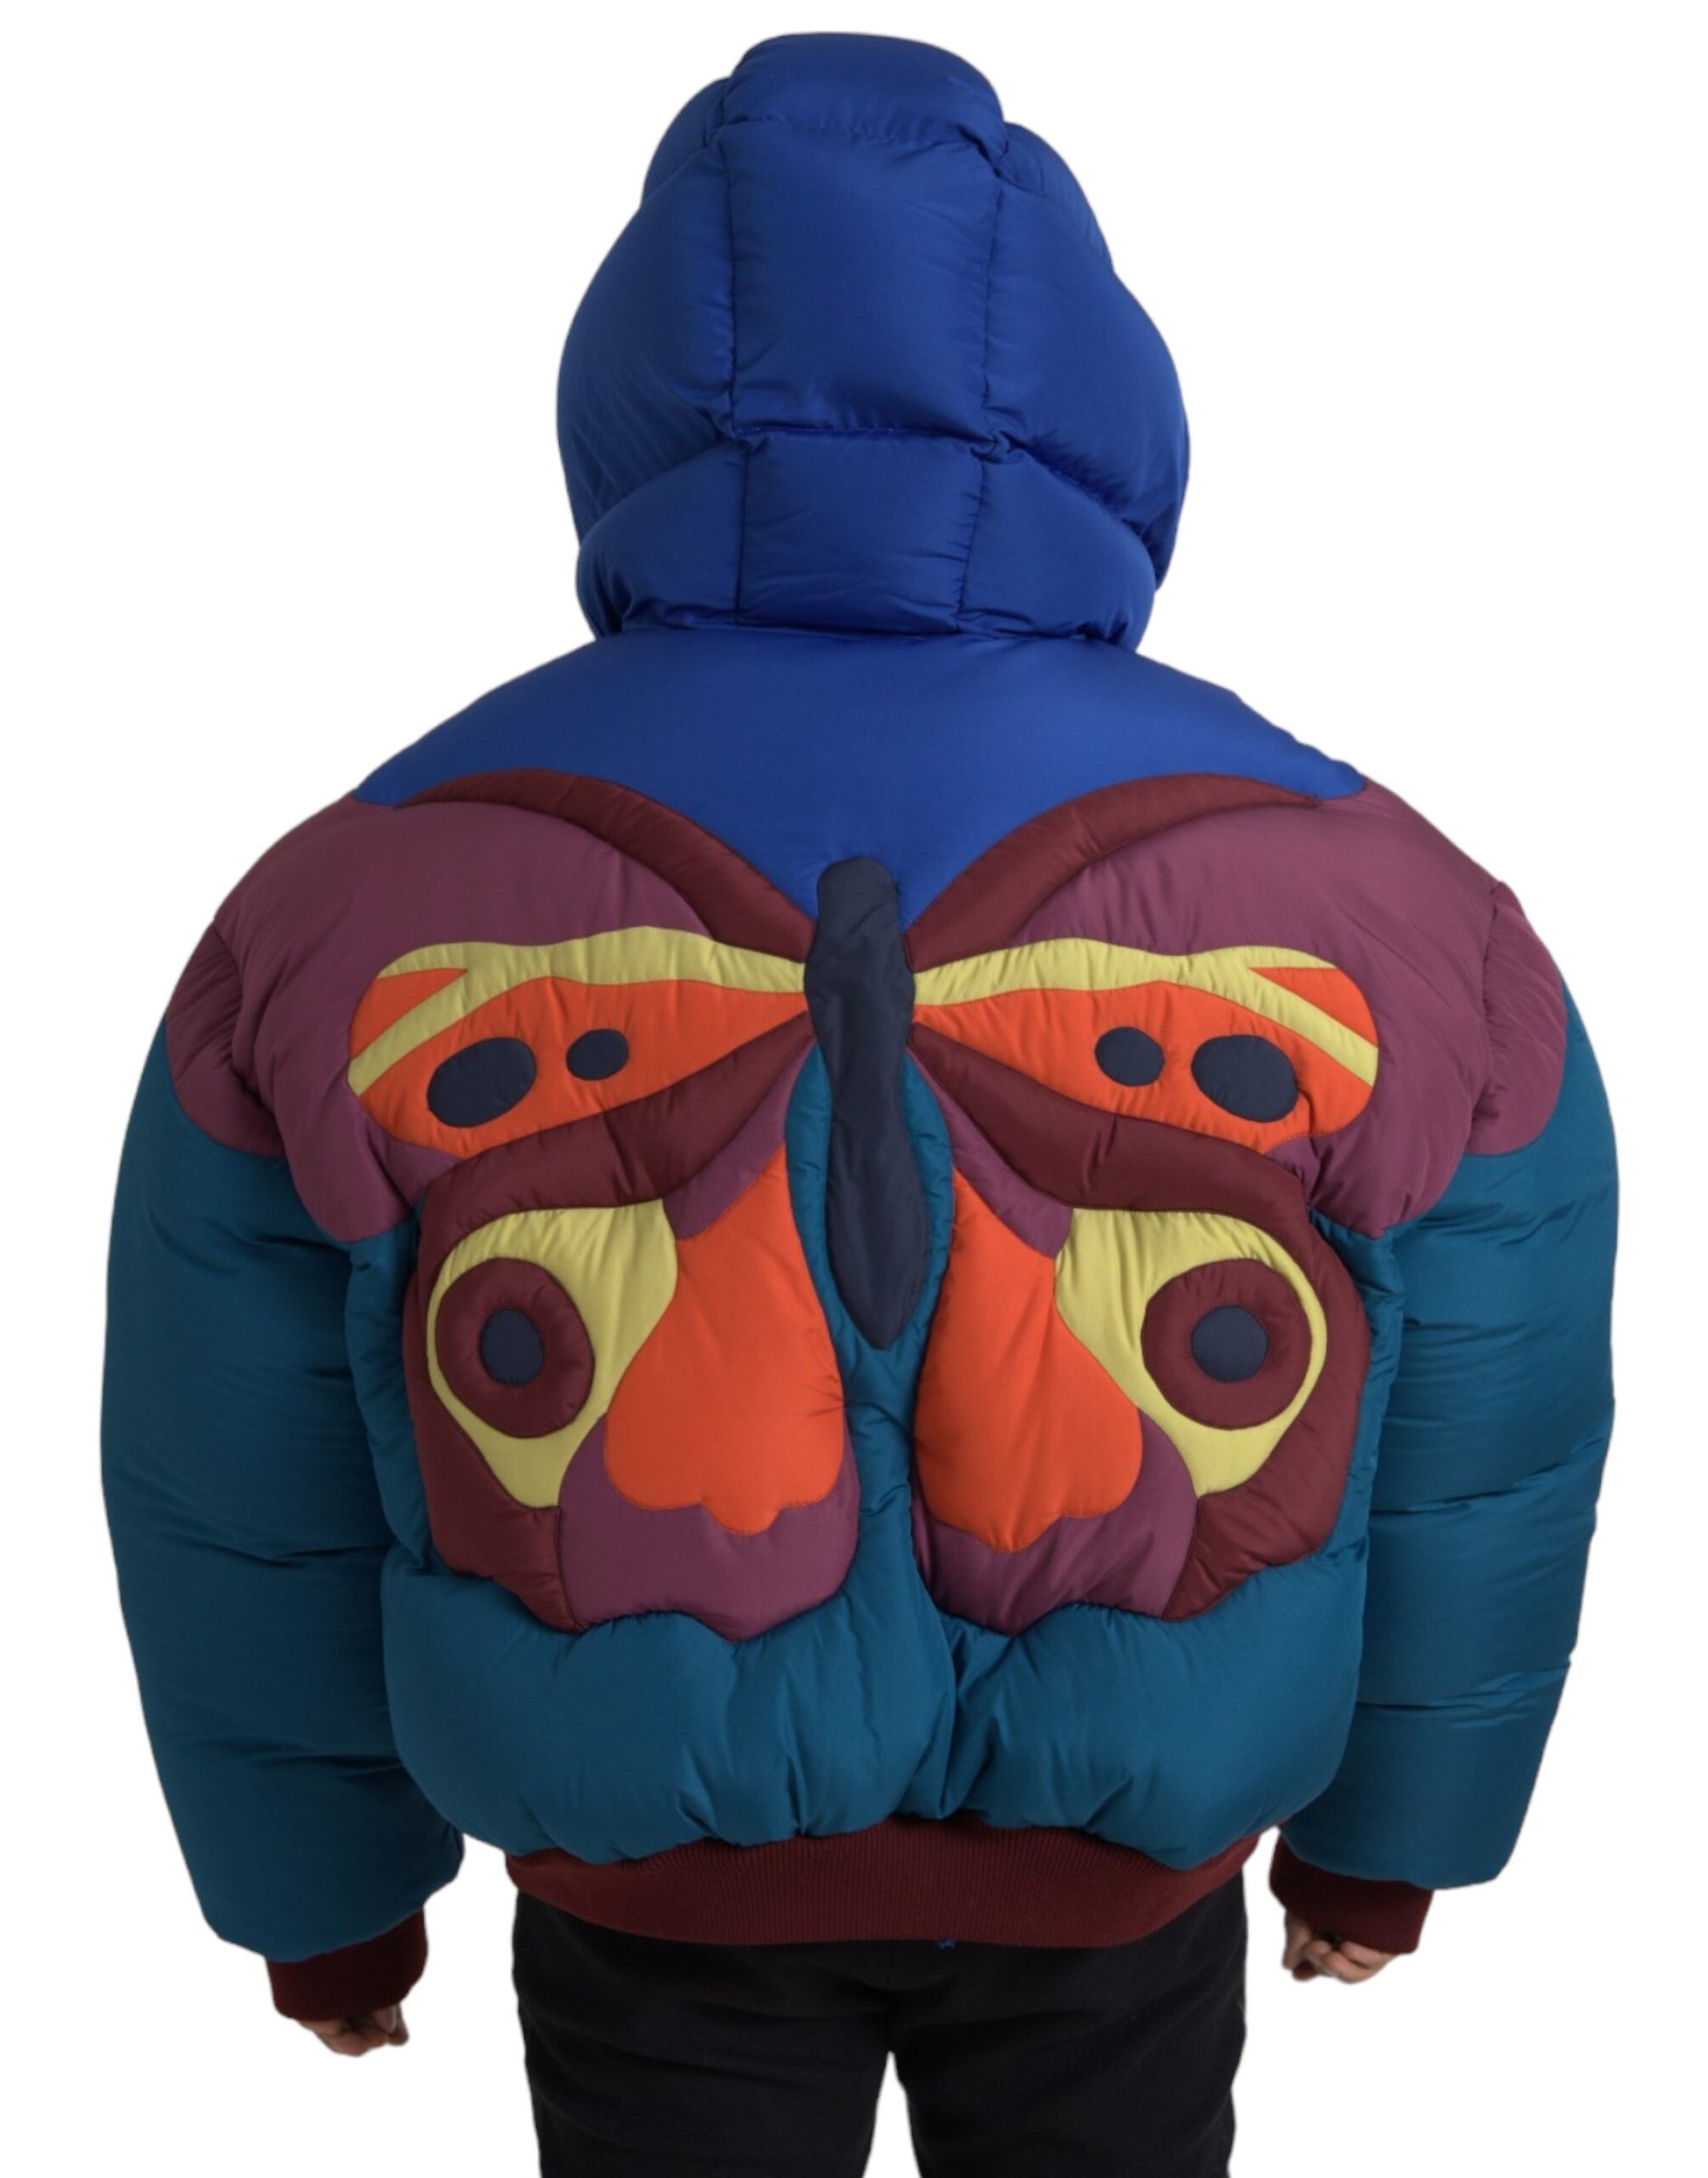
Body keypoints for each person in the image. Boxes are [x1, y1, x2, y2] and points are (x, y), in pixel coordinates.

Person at [102, 33, 1618, 2178]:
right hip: (1129, 1853)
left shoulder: (352, 890)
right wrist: (1394, 1837)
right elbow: (1492, 1417)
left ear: (624, 409)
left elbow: (228, 1454)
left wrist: (318, 1890)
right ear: (1109, 408)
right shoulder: (1391, 896)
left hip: (646, 1867)